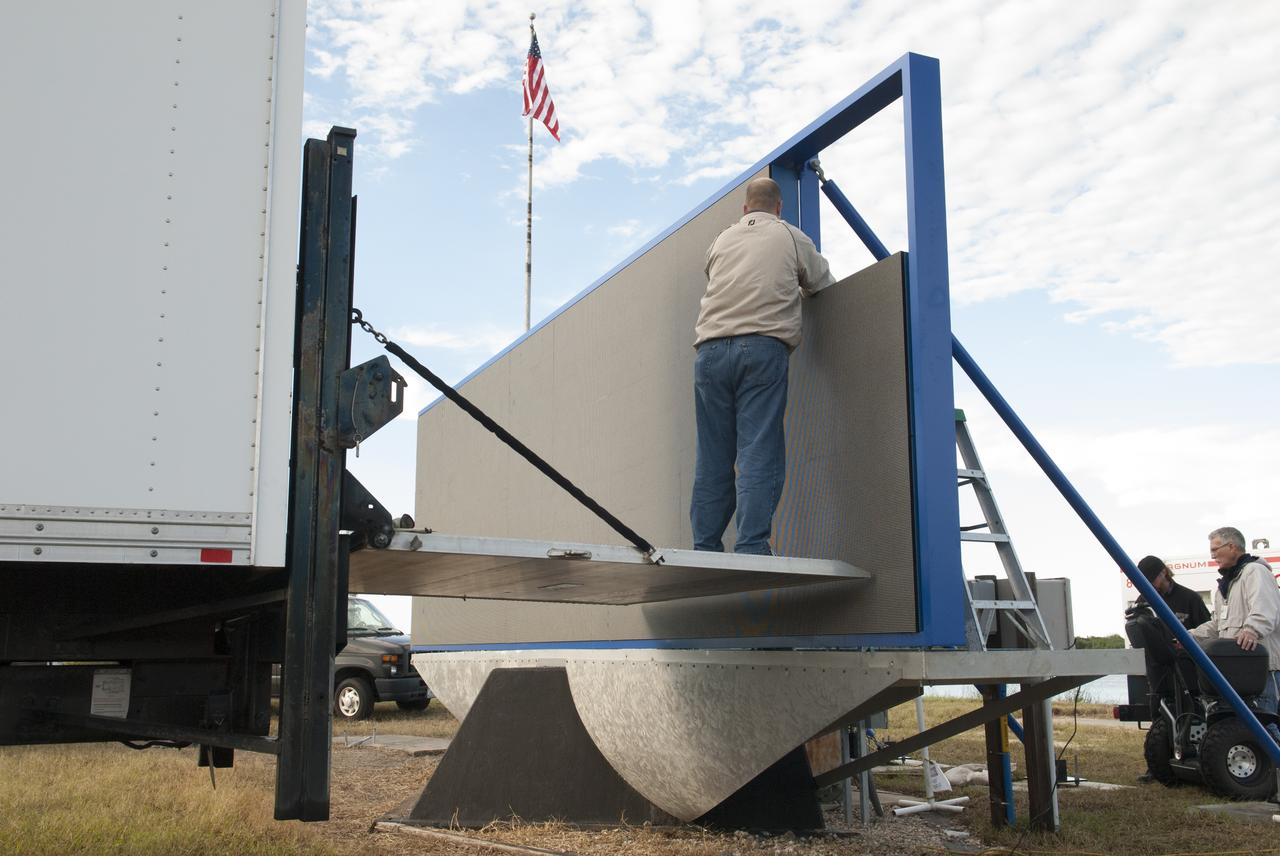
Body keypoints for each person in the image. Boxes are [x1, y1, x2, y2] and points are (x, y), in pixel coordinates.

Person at [690, 177, 835, 554]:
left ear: (744, 209)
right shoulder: (789, 236)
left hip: (709, 352)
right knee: (758, 450)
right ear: (779, 207)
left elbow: (718, 278)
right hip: (761, 350)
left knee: (713, 456)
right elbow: (822, 283)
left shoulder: (721, 240)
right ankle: (752, 545)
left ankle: (705, 546)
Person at [1190, 527, 1280, 741]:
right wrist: (1190, 636)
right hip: (1237, 670)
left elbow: (1265, 609)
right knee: (1245, 728)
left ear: (1232, 547)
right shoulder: (1227, 585)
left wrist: (1251, 629)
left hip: (1263, 670)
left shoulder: (1255, 572)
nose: (1212, 556)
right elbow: (1218, 624)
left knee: (1265, 723)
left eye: (1215, 549)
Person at [1128, 555, 1210, 783]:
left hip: (1187, 667)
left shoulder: (1189, 598)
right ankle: (1156, 766)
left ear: (1164, 572)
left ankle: (1196, 757)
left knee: (1192, 711)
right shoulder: (1143, 600)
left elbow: (1209, 630)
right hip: (1158, 666)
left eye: (1151, 578)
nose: (1148, 584)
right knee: (1159, 715)